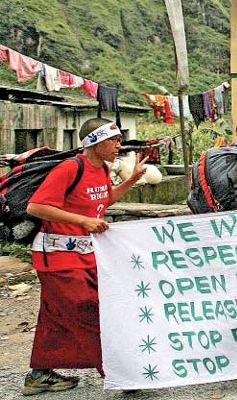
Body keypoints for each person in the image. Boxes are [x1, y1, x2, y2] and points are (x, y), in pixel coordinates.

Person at [23, 118, 147, 395]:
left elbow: (103, 201)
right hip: (55, 255)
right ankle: (118, 370)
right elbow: (36, 207)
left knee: (55, 314)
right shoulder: (70, 168)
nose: (119, 146)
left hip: (86, 254)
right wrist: (83, 221)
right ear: (95, 142)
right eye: (113, 140)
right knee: (89, 308)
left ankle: (40, 374)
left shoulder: (102, 169)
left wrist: (132, 180)